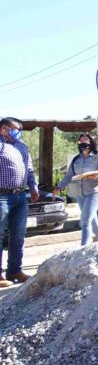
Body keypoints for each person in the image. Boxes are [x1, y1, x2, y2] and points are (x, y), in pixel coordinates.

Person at [0, 117, 38, 288]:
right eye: (15, 129)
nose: (18, 132)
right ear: (3, 129)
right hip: (2, 196)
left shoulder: (22, 146)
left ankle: (15, 270)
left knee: (18, 235)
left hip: (20, 196)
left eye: (20, 129)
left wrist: (33, 187)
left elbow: (29, 168)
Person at [54, 133, 98, 246]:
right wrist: (59, 187)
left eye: (86, 140)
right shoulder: (76, 159)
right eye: (81, 140)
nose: (83, 142)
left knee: (85, 221)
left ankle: (83, 248)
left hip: (94, 192)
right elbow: (69, 175)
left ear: (91, 142)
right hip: (81, 194)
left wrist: (96, 176)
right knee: (94, 225)